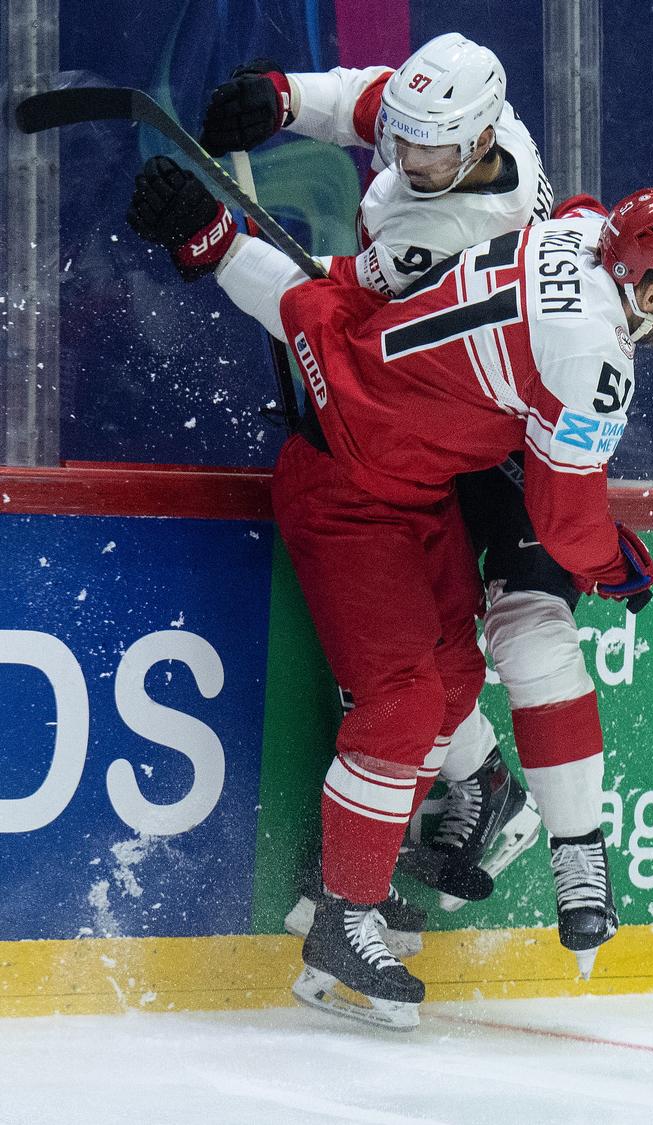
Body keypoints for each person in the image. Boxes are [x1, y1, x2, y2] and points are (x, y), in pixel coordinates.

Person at [126, 156, 653, 1026]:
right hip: (352, 485)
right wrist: (617, 563)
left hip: (395, 461)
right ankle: (343, 918)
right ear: (644, 280)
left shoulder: (570, 227)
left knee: (451, 678)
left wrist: (211, 239)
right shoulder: (599, 356)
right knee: (407, 698)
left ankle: (407, 847)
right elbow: (564, 521)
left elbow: (322, 300)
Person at [198, 34, 552, 942]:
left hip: (467, 428)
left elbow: (323, 311)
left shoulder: (448, 237)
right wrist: (283, 99)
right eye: (406, 137)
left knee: (411, 680)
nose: (405, 157)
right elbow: (371, 100)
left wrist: (217, 245)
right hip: (439, 415)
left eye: (429, 147)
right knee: (428, 669)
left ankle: (380, 861)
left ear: (477, 141)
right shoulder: (478, 126)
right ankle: (478, 782)